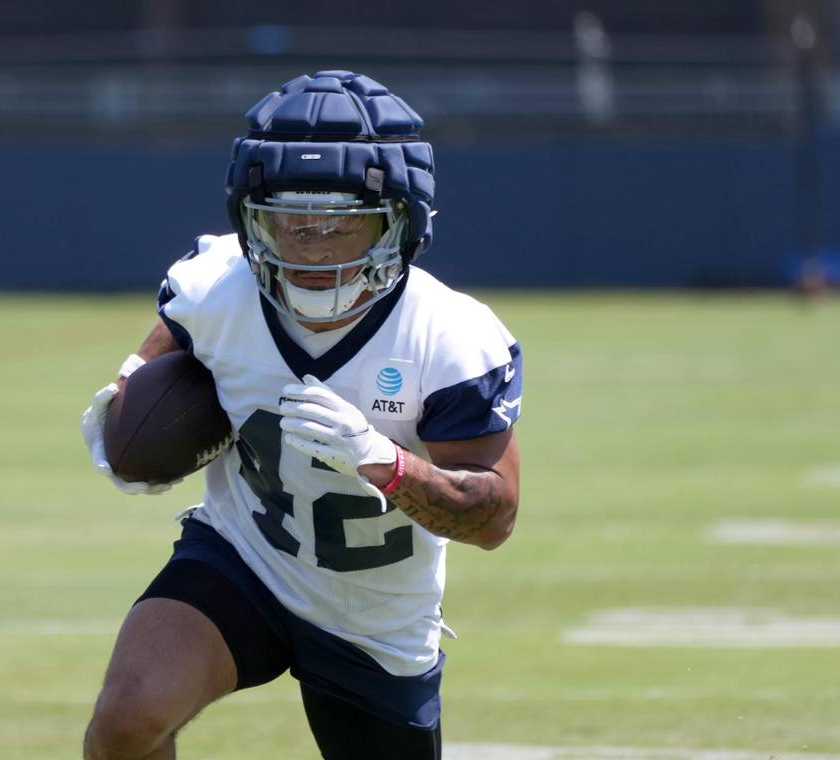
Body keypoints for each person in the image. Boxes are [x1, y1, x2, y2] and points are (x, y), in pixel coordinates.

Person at [79, 70, 523, 760]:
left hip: (373, 614)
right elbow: (162, 352)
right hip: (243, 556)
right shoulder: (215, 289)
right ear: (249, 220)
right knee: (127, 721)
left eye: (343, 225)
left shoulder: (450, 336)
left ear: (401, 220)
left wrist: (386, 464)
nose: (313, 248)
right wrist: (127, 407)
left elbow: (494, 519)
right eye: (289, 222)